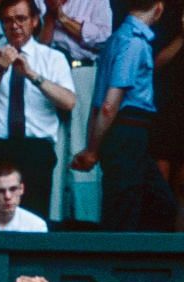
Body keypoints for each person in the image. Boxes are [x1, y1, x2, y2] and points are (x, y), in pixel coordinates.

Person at [0, 0, 73, 215]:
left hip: (35, 150)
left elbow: (68, 102)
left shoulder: (52, 58)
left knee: (33, 222)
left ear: (34, 21)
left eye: (21, 18)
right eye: (8, 20)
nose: (14, 25)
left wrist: (33, 75)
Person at [73, 0, 175, 233]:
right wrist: (92, 150)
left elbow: (98, 105)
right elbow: (109, 104)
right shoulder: (133, 43)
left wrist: (93, 146)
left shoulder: (117, 38)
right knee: (122, 211)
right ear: (158, 9)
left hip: (127, 135)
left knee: (160, 202)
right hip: (127, 132)